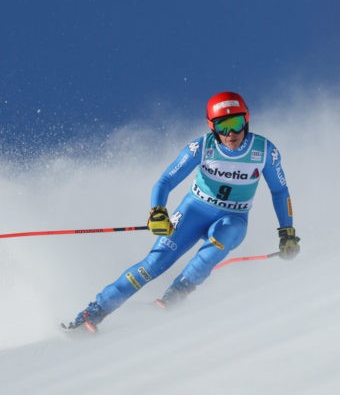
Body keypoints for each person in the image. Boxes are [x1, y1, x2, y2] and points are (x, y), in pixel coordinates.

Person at [64, 91, 300, 332]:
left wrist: (287, 232)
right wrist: (158, 211)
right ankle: (93, 312)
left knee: (228, 231)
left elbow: (280, 191)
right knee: (154, 263)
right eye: (223, 126)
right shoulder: (202, 147)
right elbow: (165, 181)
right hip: (193, 211)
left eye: (237, 123)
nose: (231, 133)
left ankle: (177, 293)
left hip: (233, 217)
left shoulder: (264, 151)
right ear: (212, 126)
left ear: (247, 120)